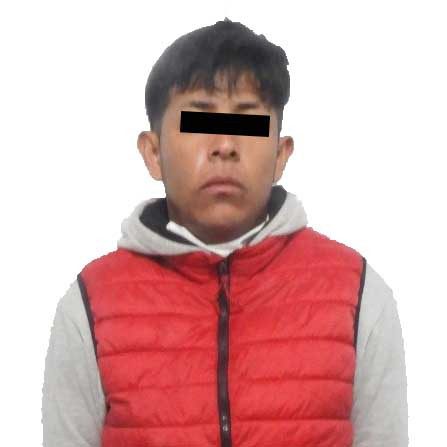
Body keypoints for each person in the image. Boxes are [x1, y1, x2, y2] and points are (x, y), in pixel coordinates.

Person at [41, 17, 409, 447]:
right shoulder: (91, 304)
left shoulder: (357, 293)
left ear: (280, 154)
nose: (225, 145)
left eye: (248, 123)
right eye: (198, 121)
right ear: (153, 153)